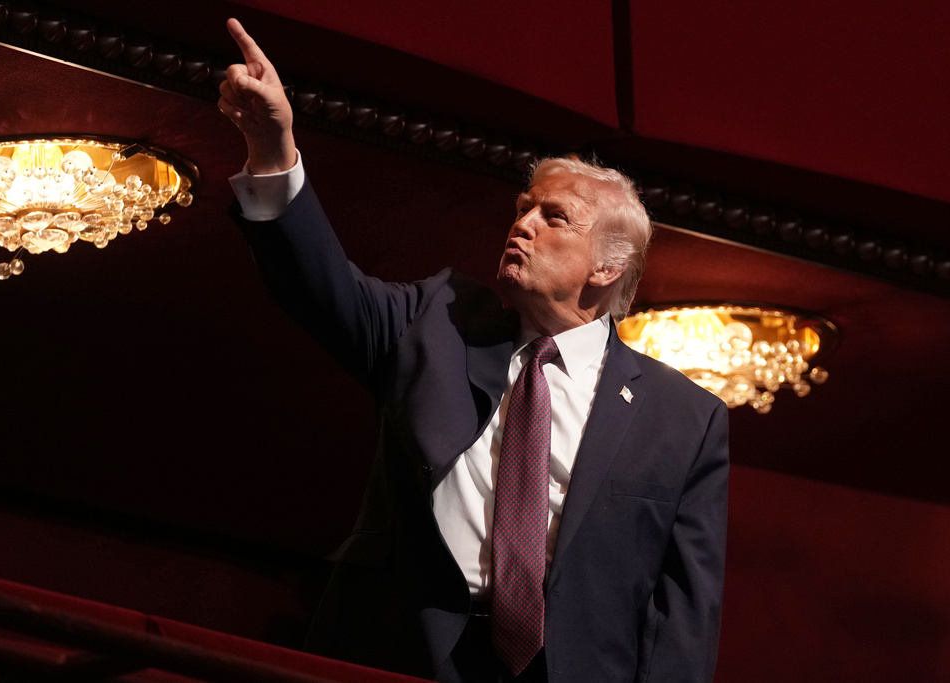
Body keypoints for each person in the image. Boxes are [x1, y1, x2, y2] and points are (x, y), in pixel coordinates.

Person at [219, 17, 728, 683]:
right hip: (401, 651)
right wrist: (271, 149)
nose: (521, 224)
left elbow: (683, 616)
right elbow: (325, 290)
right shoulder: (438, 317)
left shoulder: (684, 418)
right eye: (524, 208)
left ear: (607, 267)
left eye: (554, 218)